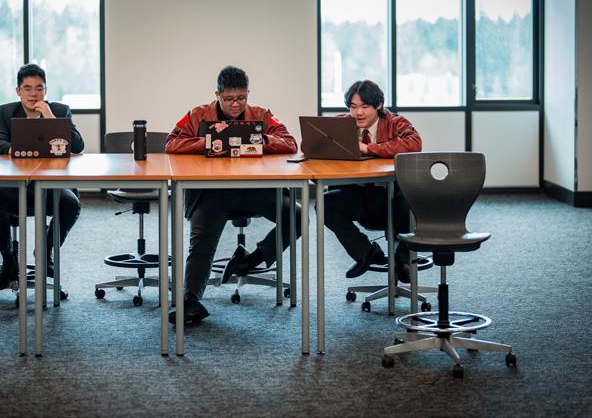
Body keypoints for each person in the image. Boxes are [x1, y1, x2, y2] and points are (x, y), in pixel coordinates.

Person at [165, 65, 301, 324]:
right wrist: (212, 142)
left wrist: (261, 140)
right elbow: (171, 143)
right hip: (211, 192)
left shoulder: (261, 115)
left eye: (241, 98)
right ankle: (190, 301)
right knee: (201, 240)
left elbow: (290, 143)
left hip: (255, 190)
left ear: (248, 94)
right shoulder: (198, 115)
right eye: (228, 99)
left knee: (296, 215)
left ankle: (250, 260)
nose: (236, 104)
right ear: (217, 95)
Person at [0, 64, 84, 291]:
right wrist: (20, 148)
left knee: (71, 203)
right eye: (27, 88)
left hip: (51, 187)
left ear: (46, 91)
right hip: (15, 186)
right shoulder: (8, 112)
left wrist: (50, 118)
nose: (33, 94)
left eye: (39, 88)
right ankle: (8, 259)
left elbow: (78, 145)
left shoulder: (60, 111)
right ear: (18, 91)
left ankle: (46, 251)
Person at [323, 79, 422, 284]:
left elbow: (414, 143)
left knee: (409, 197)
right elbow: (309, 143)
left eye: (365, 106)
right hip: (360, 195)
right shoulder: (341, 124)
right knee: (325, 203)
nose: (358, 113)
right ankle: (366, 252)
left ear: (378, 105)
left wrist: (368, 148)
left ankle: (402, 260)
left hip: (392, 198)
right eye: (353, 107)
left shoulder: (395, 122)